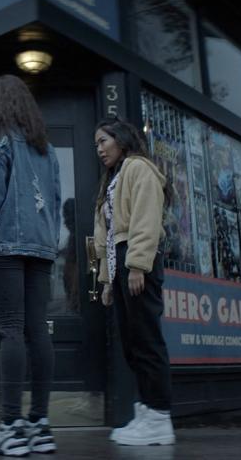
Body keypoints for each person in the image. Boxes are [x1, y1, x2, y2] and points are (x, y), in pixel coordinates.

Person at [0, 74, 61, 456]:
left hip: (3, 246)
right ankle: (39, 424)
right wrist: (50, 244)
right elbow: (53, 202)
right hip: (41, 248)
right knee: (38, 332)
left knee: (11, 331)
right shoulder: (46, 149)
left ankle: (10, 425)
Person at [93, 117, 176, 446]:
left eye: (103, 141)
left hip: (137, 260)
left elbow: (146, 218)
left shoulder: (138, 168)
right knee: (132, 343)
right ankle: (149, 411)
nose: (99, 149)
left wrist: (138, 265)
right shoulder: (112, 179)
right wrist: (108, 280)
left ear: (121, 139)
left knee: (146, 339)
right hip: (123, 262)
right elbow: (108, 235)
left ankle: (158, 417)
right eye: (96, 144)